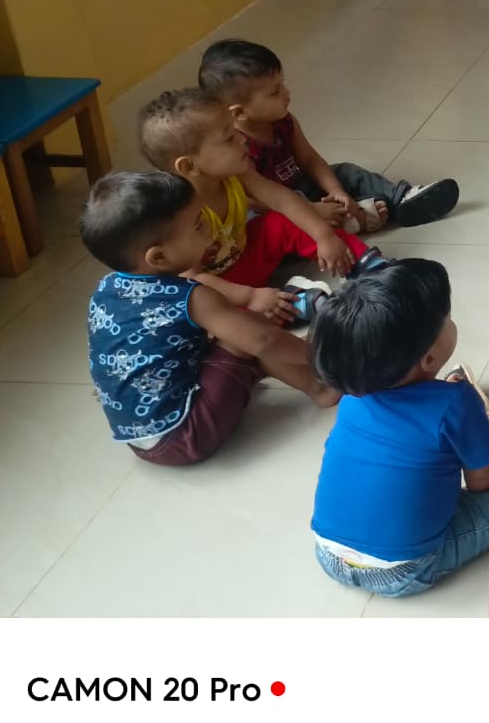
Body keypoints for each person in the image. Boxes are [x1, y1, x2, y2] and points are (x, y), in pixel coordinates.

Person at [307, 258, 489, 596]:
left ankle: (482, 438)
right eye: (446, 318)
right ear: (429, 359)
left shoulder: (353, 396)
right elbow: (481, 483)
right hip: (406, 569)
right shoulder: (455, 403)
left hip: (328, 553)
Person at [79, 170, 338, 465]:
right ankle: (321, 387)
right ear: (158, 257)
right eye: (198, 225)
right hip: (185, 435)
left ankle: (245, 374)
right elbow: (262, 340)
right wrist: (320, 354)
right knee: (247, 335)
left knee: (227, 330)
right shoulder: (193, 297)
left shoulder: (106, 287)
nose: (210, 227)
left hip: (137, 438)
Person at [138, 88, 380, 323]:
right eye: (229, 138)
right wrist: (250, 296)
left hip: (245, 257)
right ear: (189, 166)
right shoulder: (180, 213)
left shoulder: (236, 172)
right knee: (216, 318)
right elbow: (195, 279)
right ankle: (293, 303)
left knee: (280, 220)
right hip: (218, 289)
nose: (243, 139)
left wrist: (324, 236)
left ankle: (363, 260)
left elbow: (283, 199)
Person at [199, 39, 459, 233]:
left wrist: (335, 190)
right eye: (275, 92)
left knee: (346, 171)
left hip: (303, 189)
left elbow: (309, 160)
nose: (287, 93)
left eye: (283, 83)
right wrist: (311, 210)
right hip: (277, 208)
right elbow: (256, 203)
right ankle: (353, 217)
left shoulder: (284, 121)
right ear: (239, 113)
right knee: (266, 226)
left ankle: (400, 197)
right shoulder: (236, 149)